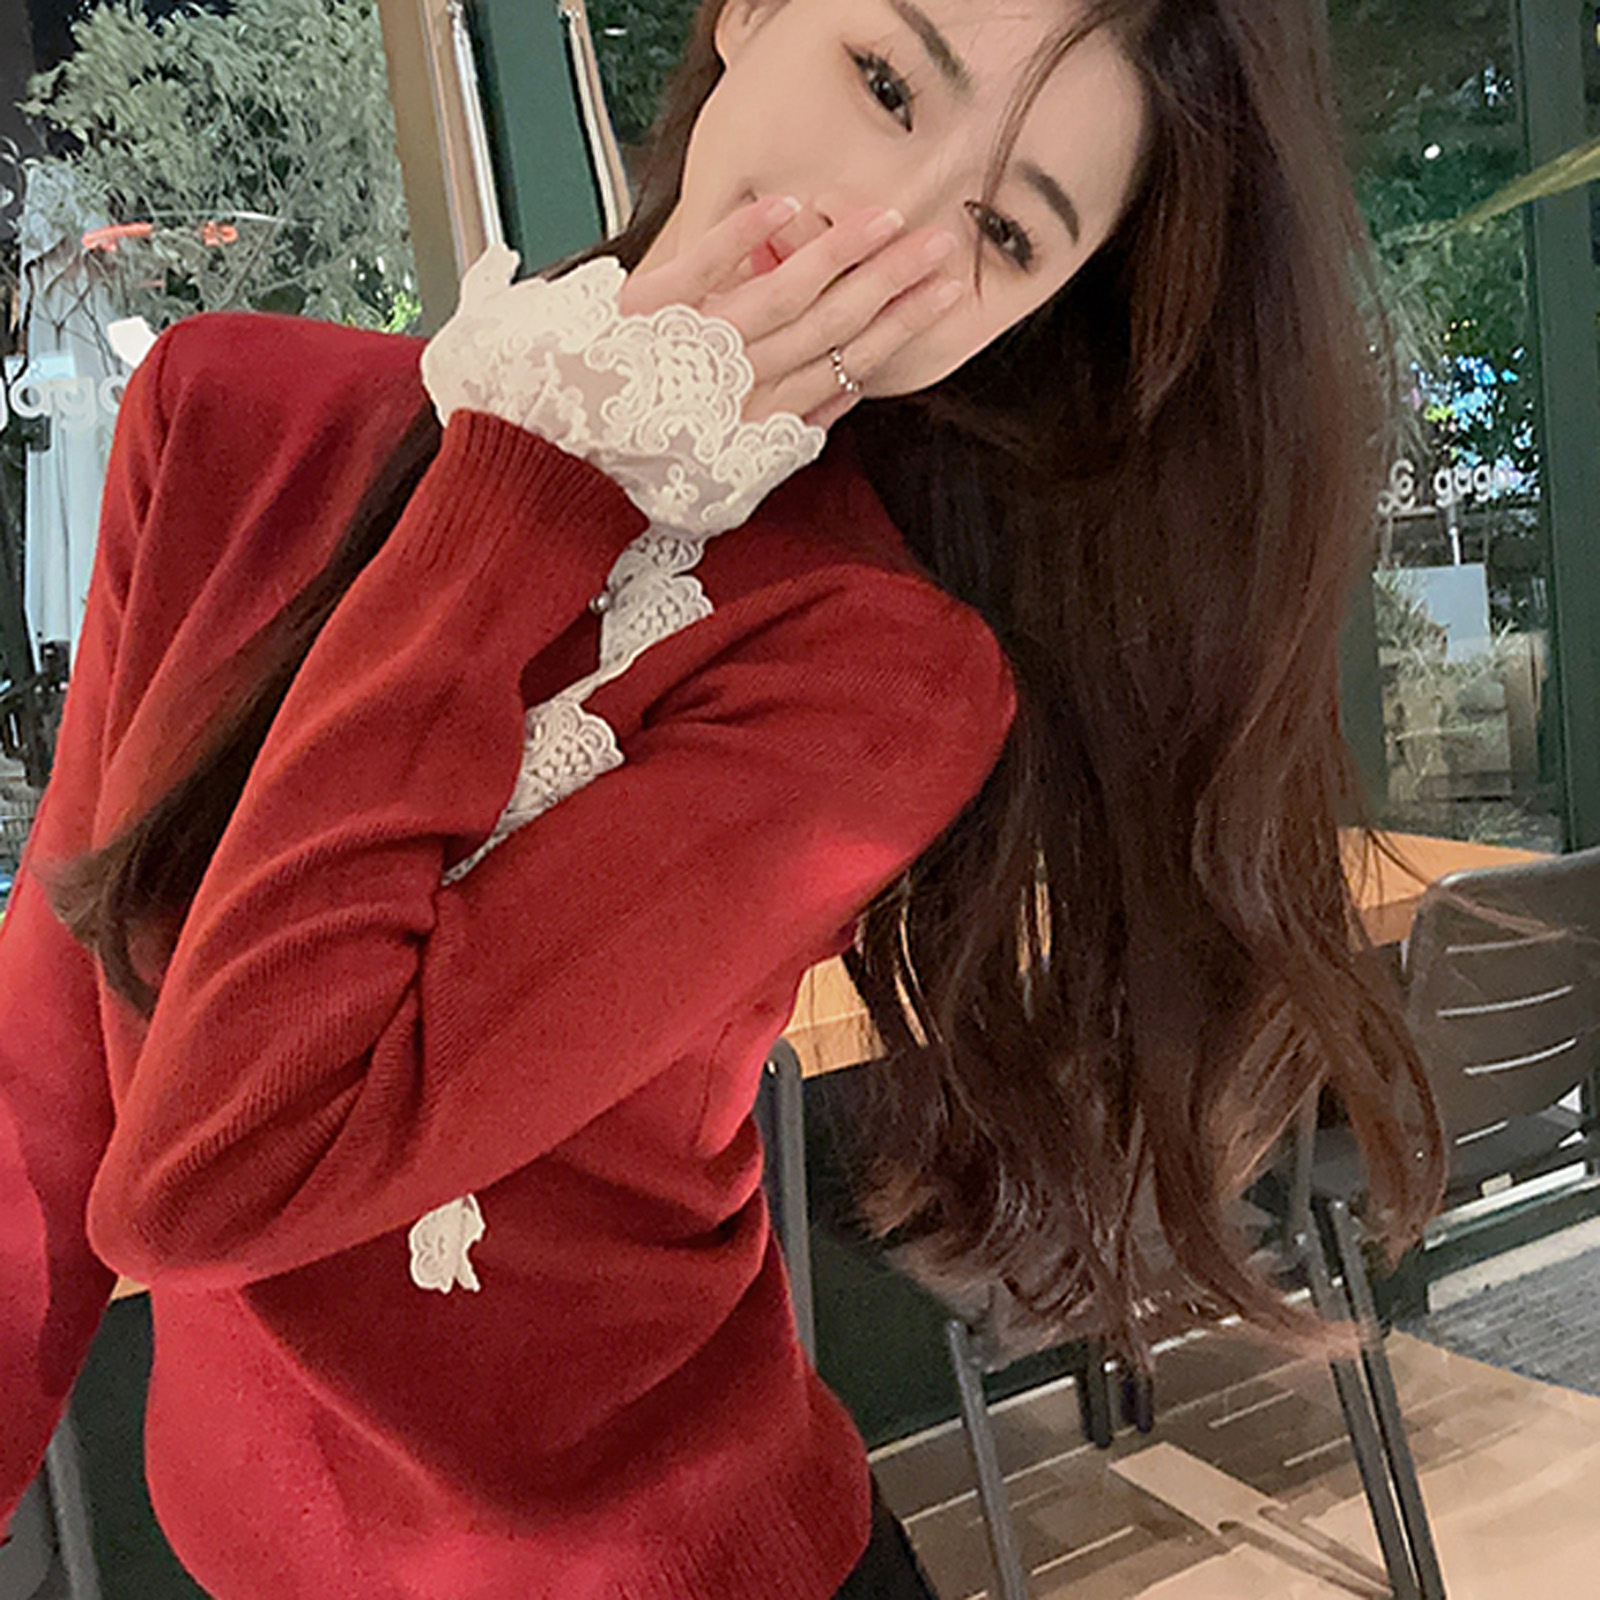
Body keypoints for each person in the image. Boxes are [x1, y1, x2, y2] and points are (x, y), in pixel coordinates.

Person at [0, 0, 1446, 1595]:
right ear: (749, 12)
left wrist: (534, 485)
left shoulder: (877, 664)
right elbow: (45, 1086)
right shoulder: (225, 412)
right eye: (883, 80)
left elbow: (224, 1172)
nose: (878, 225)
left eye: (1004, 234)